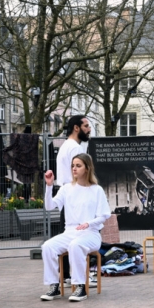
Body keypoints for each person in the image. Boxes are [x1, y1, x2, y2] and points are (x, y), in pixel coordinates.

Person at [40, 153, 110, 302]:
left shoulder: (97, 190)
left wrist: (88, 223)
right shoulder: (66, 188)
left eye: (78, 165)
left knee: (75, 245)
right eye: (73, 165)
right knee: (47, 246)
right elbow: (49, 206)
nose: (74, 169)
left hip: (91, 233)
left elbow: (104, 215)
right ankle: (54, 285)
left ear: (87, 168)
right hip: (70, 232)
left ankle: (80, 287)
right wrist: (49, 186)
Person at [56, 115, 92, 287]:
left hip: (66, 192)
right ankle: (78, 275)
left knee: (67, 235)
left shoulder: (65, 146)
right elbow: (78, 173)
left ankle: (65, 275)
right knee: (80, 234)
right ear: (76, 128)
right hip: (72, 194)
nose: (89, 129)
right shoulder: (74, 148)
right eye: (86, 126)